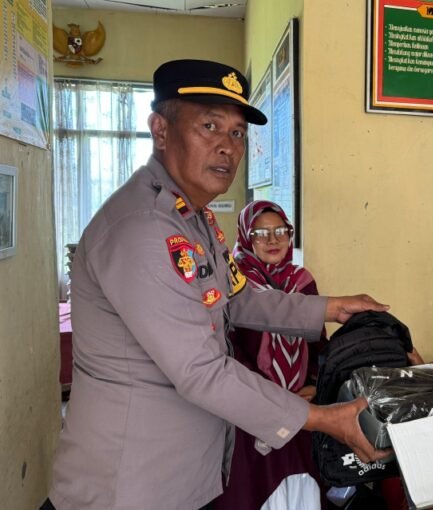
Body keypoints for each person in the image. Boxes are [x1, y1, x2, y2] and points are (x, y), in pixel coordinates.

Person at [44, 59, 390, 510]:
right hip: (129, 485)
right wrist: (322, 418)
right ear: (161, 129)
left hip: (181, 474)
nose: (227, 146)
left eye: (237, 133)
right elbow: (200, 371)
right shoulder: (144, 230)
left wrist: (330, 308)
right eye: (209, 126)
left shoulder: (195, 219)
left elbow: (237, 297)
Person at [212, 200, 328, 509]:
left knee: (303, 487)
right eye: (260, 233)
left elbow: (319, 344)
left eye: (281, 231)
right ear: (246, 237)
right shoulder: (232, 283)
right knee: (258, 492)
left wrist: (316, 383)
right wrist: (272, 398)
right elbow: (229, 348)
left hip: (303, 408)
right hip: (251, 415)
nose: (273, 240)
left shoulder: (303, 282)